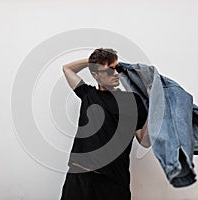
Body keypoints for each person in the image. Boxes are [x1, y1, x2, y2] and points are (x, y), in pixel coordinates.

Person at [60, 48, 150, 200]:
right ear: (95, 75)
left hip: (113, 183)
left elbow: (145, 141)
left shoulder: (132, 101)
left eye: (116, 69)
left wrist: (154, 107)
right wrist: (92, 63)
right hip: (80, 178)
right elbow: (67, 69)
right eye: (109, 70)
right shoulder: (89, 94)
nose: (115, 74)